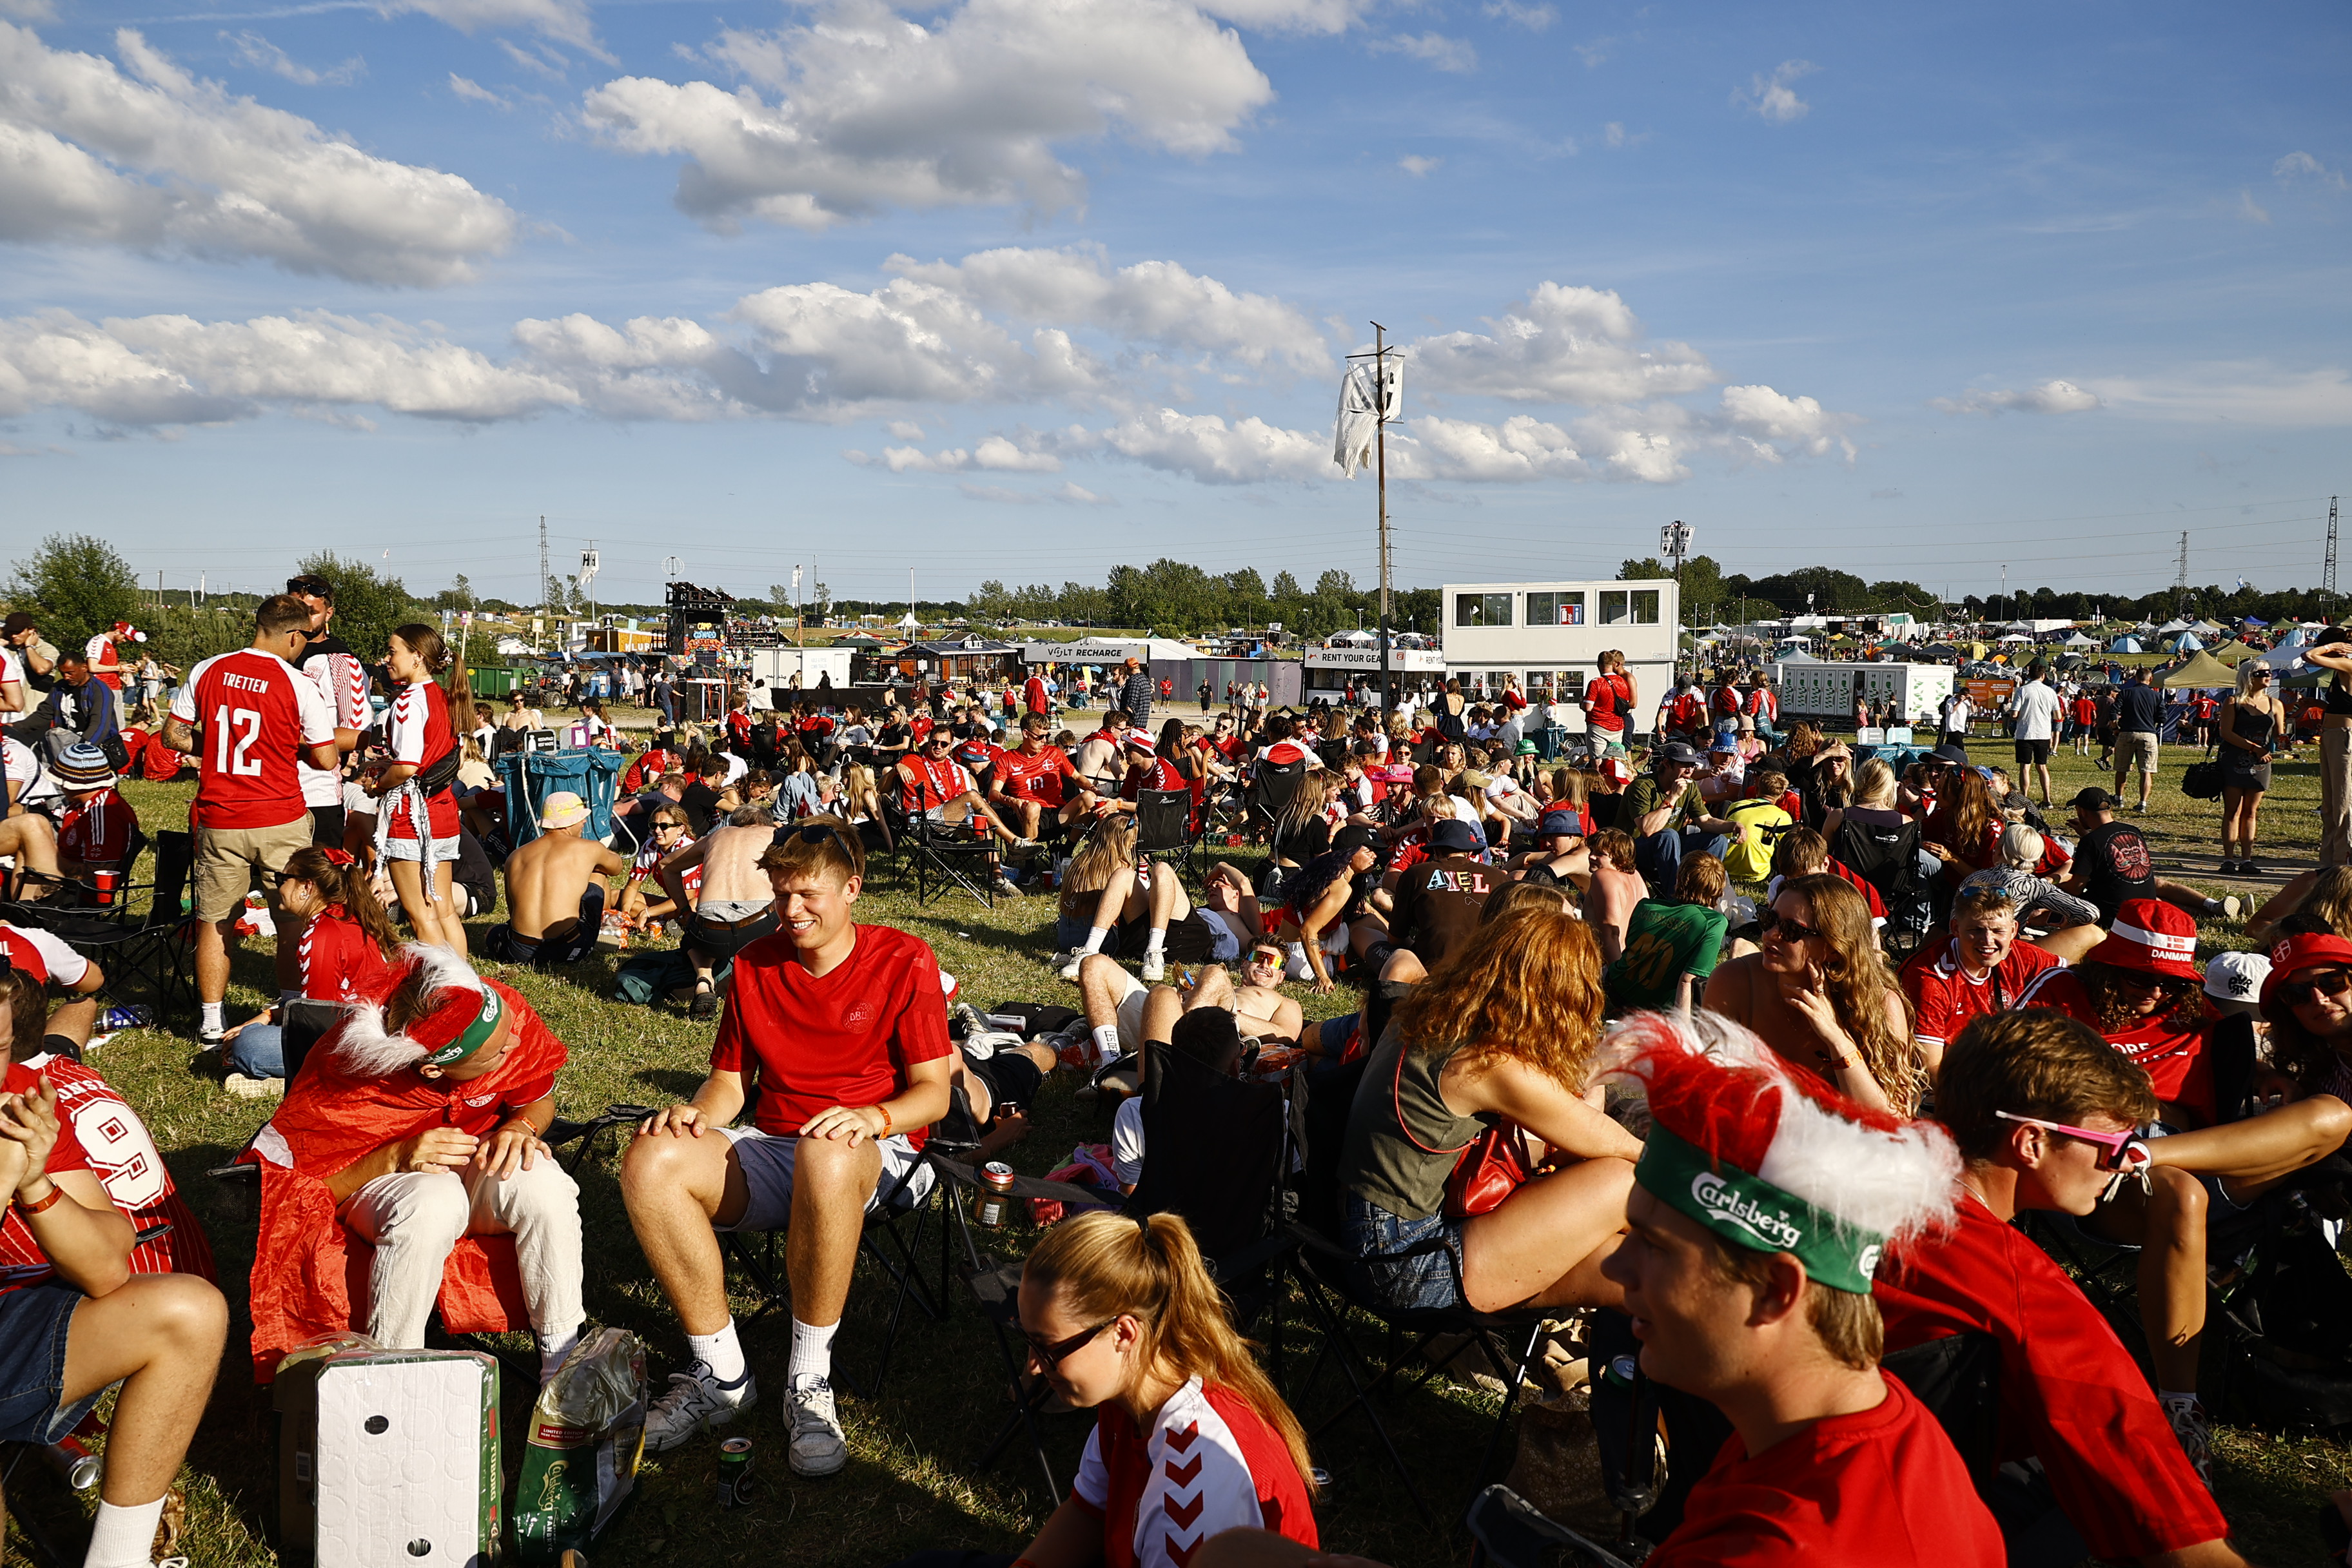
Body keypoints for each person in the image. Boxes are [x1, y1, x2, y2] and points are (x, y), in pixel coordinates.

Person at [1595, 1009, 2000, 1568]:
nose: (1615, 1267)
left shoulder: (1781, 1548)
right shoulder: (1865, 1426)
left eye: (1655, 1245)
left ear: (1775, 1291)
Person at [620, 820, 952, 1473]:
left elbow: (933, 1094)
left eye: (807, 894)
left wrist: (871, 1116)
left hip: (881, 1149)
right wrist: (695, 1113)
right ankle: (720, 1373)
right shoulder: (753, 962)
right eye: (780, 895)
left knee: (825, 1150)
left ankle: (809, 1378)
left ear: (852, 888)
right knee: (649, 1158)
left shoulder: (904, 956)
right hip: (779, 1142)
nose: (791, 910)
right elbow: (727, 1083)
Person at [1878, 1008, 2246, 1565]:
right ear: (2030, 1143)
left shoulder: (1849, 1171)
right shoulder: (2025, 1291)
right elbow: (2178, 1536)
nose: (2121, 1166)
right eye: (2114, 1146)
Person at [244, 946, 583, 1386]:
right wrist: (395, 1157)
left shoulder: (493, 1012)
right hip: (379, 1181)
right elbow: (309, 1190)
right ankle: (390, 1375)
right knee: (432, 1200)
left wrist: (521, 1127)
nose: (515, 1044)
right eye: (497, 1054)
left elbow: (535, 1097)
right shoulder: (348, 1077)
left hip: (474, 1160)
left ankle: (564, 1368)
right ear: (431, 1070)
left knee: (543, 1184)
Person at [0, 966, 231, 1568]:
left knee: (188, 1310)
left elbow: (107, 1267)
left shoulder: (19, 1094)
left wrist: (34, 1184)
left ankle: (118, 1559)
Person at [1336, 903, 1640, 1317]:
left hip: (1363, 1234)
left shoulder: (1433, 1015)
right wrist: (1602, 1068)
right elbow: (1605, 1142)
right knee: (1624, 1182)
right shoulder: (1484, 1065)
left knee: (1631, 1261)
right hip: (1405, 1264)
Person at [1010, 1211, 1319, 1568]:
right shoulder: (1136, 1385)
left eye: (1048, 1347)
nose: (1033, 1364)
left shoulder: (1190, 1484)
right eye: (1027, 1339)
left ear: (1124, 1334)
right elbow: (1089, 1511)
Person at [164, 594, 339, 1046]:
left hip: (220, 815)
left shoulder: (208, 669)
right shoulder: (299, 684)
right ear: (294, 635)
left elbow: (173, 734)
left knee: (215, 920)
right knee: (292, 918)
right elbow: (324, 757)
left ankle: (209, 1021)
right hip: (279, 814)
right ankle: (290, 1006)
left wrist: (217, 746)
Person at [1703, 874, 1917, 1113]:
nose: (1771, 934)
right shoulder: (1734, 981)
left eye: (1791, 929)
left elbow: (1897, 1119)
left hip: (1844, 1144)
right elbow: (1704, 1089)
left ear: (1834, 948)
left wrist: (1838, 1040)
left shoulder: (1880, 1005)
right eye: (1769, 919)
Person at [219, 847, 398, 1091]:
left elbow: (317, 1016)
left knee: (249, 1047)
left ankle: (304, 1077)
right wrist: (267, 1016)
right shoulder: (347, 915)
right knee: (256, 1033)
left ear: (307, 887)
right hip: (376, 1027)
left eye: (283, 879)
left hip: (358, 1041)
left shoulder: (322, 934)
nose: (277, 887)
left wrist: (258, 1027)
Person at [368, 624, 472, 954]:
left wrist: (377, 784)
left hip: (411, 816)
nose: (386, 659)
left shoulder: (407, 702)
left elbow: (408, 766)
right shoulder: (441, 696)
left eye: (393, 651)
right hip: (442, 809)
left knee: (420, 915)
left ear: (417, 657)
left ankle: (446, 988)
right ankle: (464, 983)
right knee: (443, 910)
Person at [1057, 816, 1236, 985]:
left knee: (1159, 869)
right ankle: (1092, 952)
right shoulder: (1121, 868)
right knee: (1152, 870)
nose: (1213, 885)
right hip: (1152, 941)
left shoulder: (1084, 862)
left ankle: (1141, 950)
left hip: (1173, 940)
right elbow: (1243, 884)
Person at [485, 792, 629, 966]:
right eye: (582, 818)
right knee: (599, 874)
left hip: (519, 951)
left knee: (492, 931)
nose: (584, 822)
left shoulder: (515, 856)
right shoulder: (590, 848)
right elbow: (617, 868)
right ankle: (600, 929)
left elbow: (512, 910)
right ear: (572, 821)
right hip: (567, 948)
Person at [2059, 789, 2239, 926]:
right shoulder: (2132, 831)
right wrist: (2084, 834)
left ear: (2081, 811)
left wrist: (2049, 888)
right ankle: (2211, 911)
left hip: (2112, 913)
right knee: (2157, 888)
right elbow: (2107, 848)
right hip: (2145, 898)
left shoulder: (2090, 842)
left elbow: (2076, 888)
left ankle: (2212, 911)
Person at [1603, 853, 1730, 1015]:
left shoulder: (1646, 906)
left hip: (1618, 990)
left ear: (1679, 880)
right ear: (1719, 890)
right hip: (1659, 1007)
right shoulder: (1713, 922)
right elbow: (1688, 980)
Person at [1622, 741, 1734, 890]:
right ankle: (1674, 894)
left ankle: (1702, 891)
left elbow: (1705, 821)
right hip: (1634, 848)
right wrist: (1672, 798)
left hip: (1670, 845)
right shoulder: (1642, 786)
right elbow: (1647, 830)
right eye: (1684, 765)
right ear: (1667, 764)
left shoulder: (1690, 786)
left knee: (1717, 840)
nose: (1690, 771)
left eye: (1693, 765)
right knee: (1669, 835)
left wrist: (1733, 826)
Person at [2217, 661, 2286, 875]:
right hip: (2234, 760)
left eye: (2269, 672)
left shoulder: (2276, 704)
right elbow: (2226, 733)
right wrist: (2254, 747)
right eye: (2263, 673)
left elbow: (2280, 736)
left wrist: (2286, 743)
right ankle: (2228, 858)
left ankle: (2247, 859)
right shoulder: (2233, 702)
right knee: (2232, 811)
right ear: (2250, 676)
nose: (2269, 676)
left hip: (2261, 763)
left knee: (2251, 812)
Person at [2306, 629, 2352, 868]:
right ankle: (2328, 861)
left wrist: (2331, 647)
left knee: (2343, 802)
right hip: (2333, 736)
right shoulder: (2340, 671)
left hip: (2345, 738)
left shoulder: (2348, 664)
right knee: (2331, 804)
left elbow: (2310, 656)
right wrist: (2316, 704)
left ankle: (2340, 861)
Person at [2009, 662, 2063, 808]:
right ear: (2044, 676)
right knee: (2042, 766)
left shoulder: (2022, 691)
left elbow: (2014, 714)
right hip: (2043, 733)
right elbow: (2058, 715)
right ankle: (2047, 799)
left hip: (2025, 733)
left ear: (2029, 675)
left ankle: (2025, 798)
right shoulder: (2050, 692)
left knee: (2025, 767)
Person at [2114, 667, 2164, 813]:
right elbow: (2163, 717)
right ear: (2150, 679)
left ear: (2135, 678)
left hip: (2127, 732)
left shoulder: (2125, 693)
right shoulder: (2156, 696)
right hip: (2148, 734)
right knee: (2146, 771)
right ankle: (2142, 803)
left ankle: (2119, 798)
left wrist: (2114, 728)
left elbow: (2113, 711)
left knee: (2121, 768)